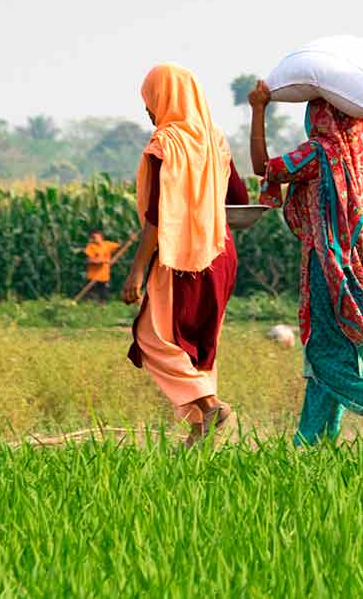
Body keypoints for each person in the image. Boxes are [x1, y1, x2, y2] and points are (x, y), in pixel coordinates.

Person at [250, 80, 363, 446]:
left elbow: (264, 167)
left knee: (324, 351)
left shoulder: (316, 154)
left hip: (326, 270)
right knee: (334, 355)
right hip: (359, 273)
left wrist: (259, 109)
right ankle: (310, 444)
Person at [122, 63, 249, 446]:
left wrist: (136, 272)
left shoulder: (166, 144)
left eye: (149, 100)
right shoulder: (215, 139)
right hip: (220, 252)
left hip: (181, 257)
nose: (147, 110)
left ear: (163, 99)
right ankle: (199, 432)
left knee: (153, 337)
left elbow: (157, 217)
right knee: (200, 340)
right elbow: (239, 199)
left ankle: (209, 406)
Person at [82, 229, 121, 302]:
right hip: (93, 276)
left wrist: (129, 241)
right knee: (90, 296)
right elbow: (89, 260)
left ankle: (102, 308)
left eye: (96, 237)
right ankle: (88, 307)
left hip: (104, 276)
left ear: (101, 237)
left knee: (103, 295)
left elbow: (120, 247)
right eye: (93, 237)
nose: (94, 239)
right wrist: (102, 261)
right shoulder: (91, 247)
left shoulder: (108, 244)